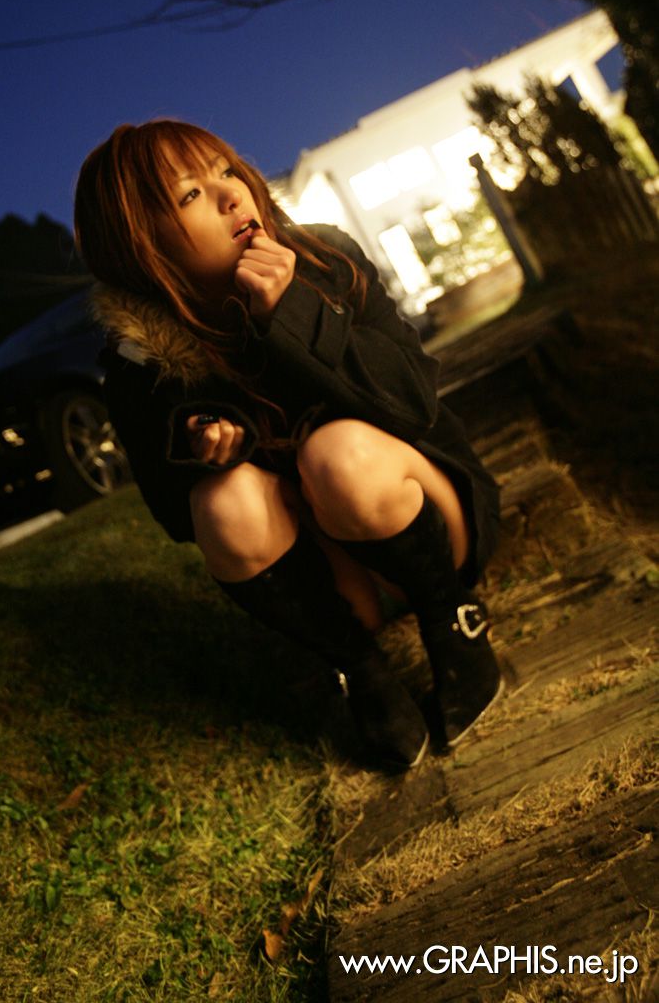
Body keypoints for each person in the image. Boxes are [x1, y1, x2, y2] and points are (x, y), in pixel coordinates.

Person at [73, 119, 503, 768]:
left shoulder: (325, 260)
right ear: (141, 246)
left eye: (226, 171)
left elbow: (414, 399)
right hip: (340, 588)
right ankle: (363, 671)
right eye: (191, 194)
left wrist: (291, 314)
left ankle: (456, 624)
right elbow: (174, 515)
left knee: (338, 454)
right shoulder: (140, 362)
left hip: (430, 524)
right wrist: (205, 451)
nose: (232, 195)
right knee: (222, 501)